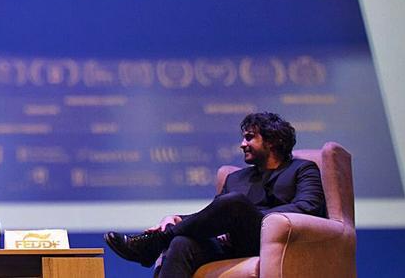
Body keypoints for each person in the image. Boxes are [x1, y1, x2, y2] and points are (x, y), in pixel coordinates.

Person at [105, 112, 326, 277]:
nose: (242, 144)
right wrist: (178, 218)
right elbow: (212, 217)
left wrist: (251, 214)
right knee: (182, 241)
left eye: (249, 138)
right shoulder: (236, 178)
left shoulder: (302, 169)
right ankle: (163, 238)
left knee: (235, 203)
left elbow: (308, 207)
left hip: (277, 241)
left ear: (273, 140)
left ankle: (153, 243)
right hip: (234, 245)